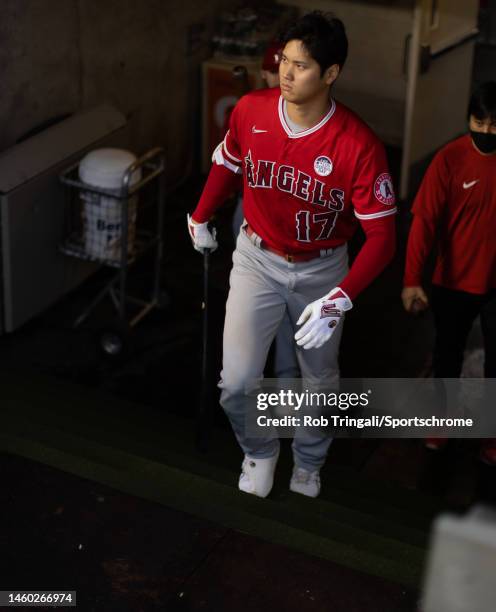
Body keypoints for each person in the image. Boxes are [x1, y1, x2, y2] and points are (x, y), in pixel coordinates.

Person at [188, 11, 396, 498]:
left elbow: (383, 238)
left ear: (331, 74)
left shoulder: (359, 145)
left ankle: (308, 460)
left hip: (323, 270)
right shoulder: (252, 110)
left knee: (318, 379)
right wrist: (199, 216)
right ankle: (260, 451)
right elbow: (228, 162)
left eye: (301, 65)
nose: (285, 72)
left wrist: (340, 298)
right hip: (257, 258)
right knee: (236, 382)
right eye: (284, 60)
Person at [402, 81, 496, 464]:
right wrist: (411, 281)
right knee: (447, 355)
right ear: (468, 118)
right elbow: (423, 225)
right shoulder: (449, 160)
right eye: (480, 121)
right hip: (452, 281)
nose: (488, 131)